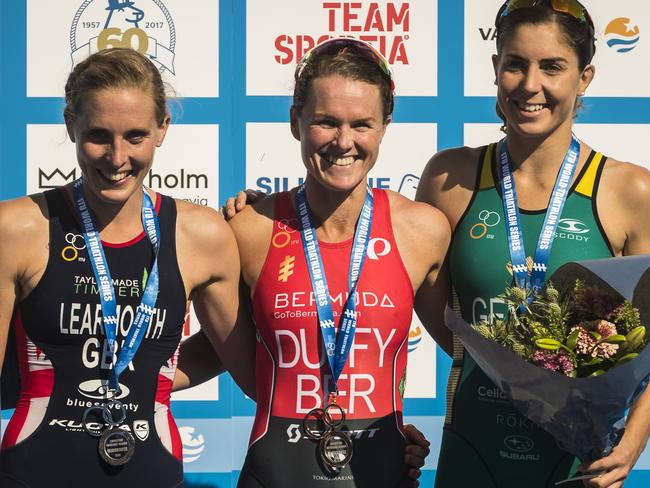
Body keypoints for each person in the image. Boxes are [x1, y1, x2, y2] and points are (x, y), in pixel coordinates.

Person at [415, 1, 650, 487]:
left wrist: (630, 445)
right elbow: (421, 295)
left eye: (552, 67)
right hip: (471, 454)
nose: (529, 84)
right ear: (495, 68)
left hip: (579, 468)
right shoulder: (449, 177)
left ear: (584, 77)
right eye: (515, 64)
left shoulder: (630, 192)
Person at [199, 37, 450, 487]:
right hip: (274, 472)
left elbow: (468, 351)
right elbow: (209, 350)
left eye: (362, 124)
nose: (344, 142)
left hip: (383, 470)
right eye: (326, 122)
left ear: (386, 124)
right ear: (296, 121)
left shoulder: (423, 231)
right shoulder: (248, 230)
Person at [0, 47, 255, 486]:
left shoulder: (202, 235)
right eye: (99, 135)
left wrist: (153, 373)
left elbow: (249, 364)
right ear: (70, 126)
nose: (117, 158)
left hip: (151, 469)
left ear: (162, 130)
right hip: (33, 472)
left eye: (135, 136)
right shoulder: (18, 228)